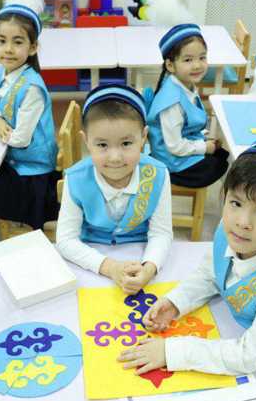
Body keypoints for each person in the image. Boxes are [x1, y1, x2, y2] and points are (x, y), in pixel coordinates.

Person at [117, 138, 256, 391]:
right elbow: (211, 273)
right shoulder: (232, 231)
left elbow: (248, 357)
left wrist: (171, 351)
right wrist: (176, 302)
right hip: (233, 331)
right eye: (236, 203)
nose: (242, 222)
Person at [56, 85, 172, 295]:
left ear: (143, 137)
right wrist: (111, 268)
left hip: (142, 254)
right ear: (86, 141)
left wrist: (149, 268)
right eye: (102, 145)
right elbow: (66, 240)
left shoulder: (158, 175)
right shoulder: (76, 178)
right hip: (91, 258)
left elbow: (161, 233)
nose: (115, 158)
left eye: (126, 143)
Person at [0, 0, 60, 231]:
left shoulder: (31, 88)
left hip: (31, 170)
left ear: (32, 47)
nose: (8, 49)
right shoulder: (1, 71)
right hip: (13, 154)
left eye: (18, 42)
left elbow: (21, 139)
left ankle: (13, 218)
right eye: (1, 41)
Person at [146, 23, 229, 188]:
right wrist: (204, 147)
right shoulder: (172, 103)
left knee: (222, 154)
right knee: (218, 164)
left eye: (202, 57)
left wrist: (203, 138)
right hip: (170, 160)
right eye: (188, 60)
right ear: (170, 65)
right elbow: (174, 146)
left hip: (181, 145)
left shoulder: (185, 84)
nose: (197, 65)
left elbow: (187, 123)